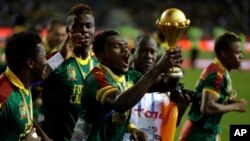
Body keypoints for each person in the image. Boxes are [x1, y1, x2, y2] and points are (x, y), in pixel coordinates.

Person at [71, 29, 183, 141]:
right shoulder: (96, 78)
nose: (125, 50)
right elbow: (120, 104)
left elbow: (166, 85)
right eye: (118, 47)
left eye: (125, 46)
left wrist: (175, 66)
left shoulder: (130, 77)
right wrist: (157, 69)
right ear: (102, 55)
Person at [41, 3, 98, 141]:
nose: (83, 30)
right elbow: (29, 82)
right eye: (78, 26)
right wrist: (61, 56)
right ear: (69, 30)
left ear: (94, 30)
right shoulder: (55, 60)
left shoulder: (99, 63)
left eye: (88, 26)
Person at [179, 32, 248, 141]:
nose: (241, 57)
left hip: (207, 130)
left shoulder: (219, 70)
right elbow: (207, 108)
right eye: (237, 53)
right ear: (224, 54)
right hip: (199, 133)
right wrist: (236, 107)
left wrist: (226, 102)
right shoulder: (217, 74)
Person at [124, 34, 190, 141]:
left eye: (152, 52)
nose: (148, 56)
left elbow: (169, 124)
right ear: (133, 52)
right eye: (144, 51)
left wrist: (181, 109)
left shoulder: (165, 85)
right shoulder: (123, 80)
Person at [0, 32, 56, 141]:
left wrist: (45, 138)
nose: (46, 61)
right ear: (30, 63)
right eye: (44, 57)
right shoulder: (3, 96)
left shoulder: (23, 82)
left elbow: (25, 117)